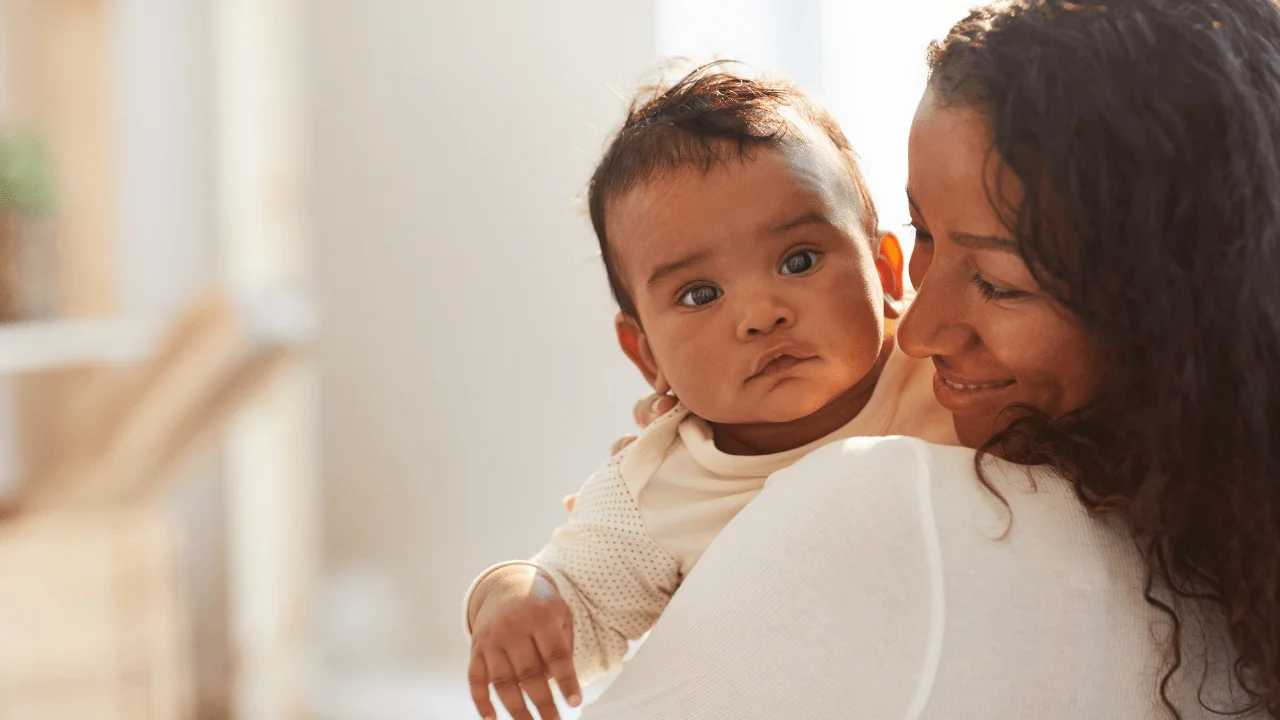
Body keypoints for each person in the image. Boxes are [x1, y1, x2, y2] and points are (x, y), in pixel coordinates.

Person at [578, 0, 1280, 718]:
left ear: (1177, 311)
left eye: (999, 283)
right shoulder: (1224, 557)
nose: (915, 328)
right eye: (925, 235)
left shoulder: (884, 500)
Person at [462, 66, 957, 720]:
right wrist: (509, 599)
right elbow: (577, 601)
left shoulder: (946, 366)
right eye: (700, 294)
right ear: (647, 356)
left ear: (886, 269)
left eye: (799, 260)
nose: (759, 314)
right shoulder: (659, 483)